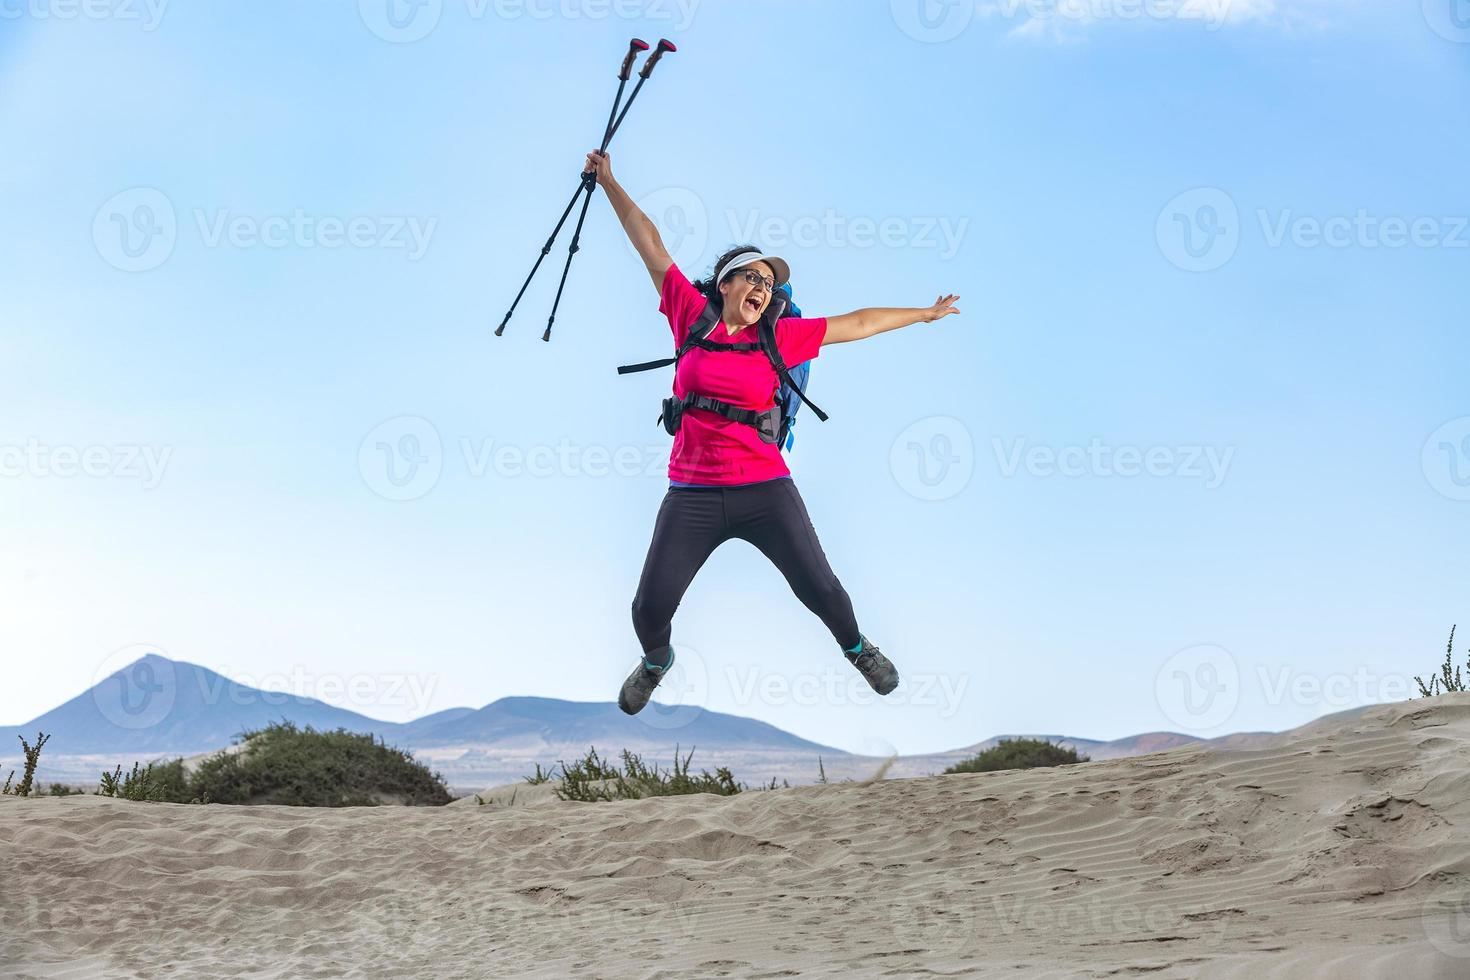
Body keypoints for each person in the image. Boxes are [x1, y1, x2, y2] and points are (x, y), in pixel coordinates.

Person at [584, 149, 960, 715]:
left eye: (771, 283)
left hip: (764, 489)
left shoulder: (781, 339)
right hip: (692, 495)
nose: (764, 287)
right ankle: (658, 662)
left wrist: (924, 315)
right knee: (647, 609)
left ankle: (858, 650)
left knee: (821, 590)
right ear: (727, 283)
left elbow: (859, 322)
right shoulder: (690, 314)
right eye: (754, 276)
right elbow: (650, 243)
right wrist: (610, 180)